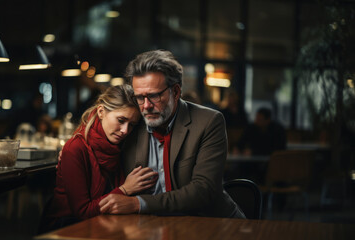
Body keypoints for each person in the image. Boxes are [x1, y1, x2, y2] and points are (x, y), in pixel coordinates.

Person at [98, 50, 245, 218]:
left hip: (210, 223)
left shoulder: (209, 121)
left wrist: (139, 203)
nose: (146, 106)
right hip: (150, 227)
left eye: (153, 96)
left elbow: (203, 190)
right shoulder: (132, 123)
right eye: (139, 97)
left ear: (175, 92)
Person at [38, 85, 158, 233]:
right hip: (67, 228)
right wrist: (125, 189)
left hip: (104, 223)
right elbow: (83, 212)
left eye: (131, 125)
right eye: (121, 120)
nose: (125, 130)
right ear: (101, 111)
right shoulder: (75, 148)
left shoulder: (121, 145)